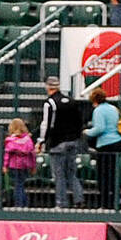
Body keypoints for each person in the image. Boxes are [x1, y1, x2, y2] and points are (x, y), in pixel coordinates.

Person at [37, 76, 85, 211]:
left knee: (59, 175)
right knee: (71, 173)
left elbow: (46, 124)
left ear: (48, 87)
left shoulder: (50, 103)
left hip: (58, 143)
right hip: (73, 142)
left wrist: (41, 141)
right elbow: (79, 122)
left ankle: (61, 203)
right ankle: (79, 199)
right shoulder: (72, 101)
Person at [86, 88, 121, 209]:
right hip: (117, 142)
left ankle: (105, 203)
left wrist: (87, 131)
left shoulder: (98, 110)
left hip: (105, 145)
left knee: (103, 175)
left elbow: (99, 128)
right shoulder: (113, 108)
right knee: (114, 173)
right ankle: (116, 201)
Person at [3, 118, 36, 208]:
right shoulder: (28, 139)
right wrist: (33, 166)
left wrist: (5, 165)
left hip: (14, 165)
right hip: (25, 165)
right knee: (21, 184)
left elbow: (7, 154)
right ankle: (24, 203)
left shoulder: (10, 140)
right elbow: (32, 154)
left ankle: (19, 204)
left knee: (17, 185)